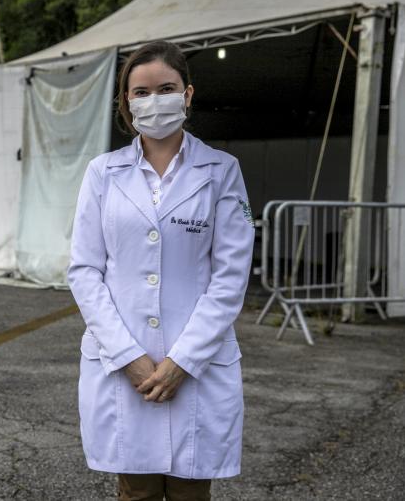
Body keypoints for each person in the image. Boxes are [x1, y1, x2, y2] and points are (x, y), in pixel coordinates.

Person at [68, 41, 255, 501]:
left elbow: (230, 278)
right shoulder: (102, 173)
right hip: (122, 362)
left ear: (187, 95)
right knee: (135, 491)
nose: (153, 101)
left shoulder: (221, 171)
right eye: (141, 92)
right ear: (127, 103)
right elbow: (85, 271)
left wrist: (182, 361)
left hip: (198, 365)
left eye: (166, 88)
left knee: (193, 491)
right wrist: (128, 357)